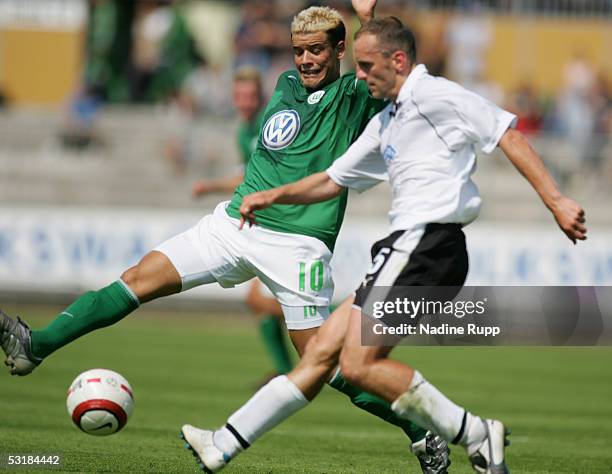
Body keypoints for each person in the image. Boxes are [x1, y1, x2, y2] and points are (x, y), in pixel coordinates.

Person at [0, 4, 449, 473]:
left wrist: (366, 18)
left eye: (317, 50)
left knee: (329, 368)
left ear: (341, 51)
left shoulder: (356, 96)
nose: (306, 60)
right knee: (137, 278)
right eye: (298, 51)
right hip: (234, 224)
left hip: (297, 246)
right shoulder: (285, 86)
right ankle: (34, 345)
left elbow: (391, 64)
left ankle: (423, 433)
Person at [180, 17, 587, 474]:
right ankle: (221, 446)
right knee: (319, 356)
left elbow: (505, 132)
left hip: (426, 244)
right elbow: (331, 180)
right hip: (404, 248)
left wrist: (557, 201)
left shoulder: (436, 95)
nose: (361, 75)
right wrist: (271, 194)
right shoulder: (387, 117)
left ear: (398, 61)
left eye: (368, 65)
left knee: (358, 366)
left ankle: (474, 431)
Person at [192, 67, 294, 380]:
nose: (244, 102)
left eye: (250, 95)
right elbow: (248, 177)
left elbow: (268, 176)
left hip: (285, 222)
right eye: (239, 95)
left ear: (261, 96)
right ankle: (286, 371)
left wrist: (210, 187)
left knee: (260, 300)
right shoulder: (243, 130)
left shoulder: (270, 124)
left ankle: (336, 325)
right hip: (265, 222)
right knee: (262, 302)